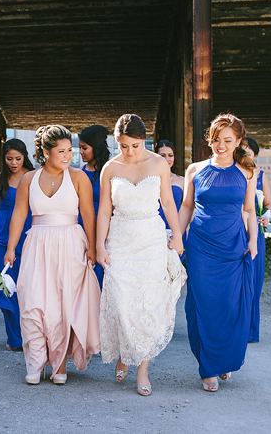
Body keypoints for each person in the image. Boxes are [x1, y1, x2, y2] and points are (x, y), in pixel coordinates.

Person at [97, 115, 187, 397]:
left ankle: (143, 369)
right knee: (123, 303)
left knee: (148, 305)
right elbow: (103, 210)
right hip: (121, 240)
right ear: (117, 142)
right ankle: (126, 352)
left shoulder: (158, 163)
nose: (130, 151)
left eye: (135, 145)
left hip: (151, 239)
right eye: (124, 146)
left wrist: (178, 235)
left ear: (144, 140)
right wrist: (100, 245)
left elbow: (168, 202)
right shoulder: (110, 168)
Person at [5, 125, 100, 385]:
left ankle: (59, 365)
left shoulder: (79, 177)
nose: (68, 155)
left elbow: (88, 214)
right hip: (37, 244)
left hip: (70, 243)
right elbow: (19, 214)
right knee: (32, 303)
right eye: (61, 151)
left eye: (70, 150)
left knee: (62, 307)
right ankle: (35, 363)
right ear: (46, 152)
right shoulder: (29, 179)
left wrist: (92, 246)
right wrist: (11, 248)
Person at [178, 113, 258, 392]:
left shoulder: (247, 171)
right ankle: (208, 367)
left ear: (238, 141)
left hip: (233, 247)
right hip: (201, 246)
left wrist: (254, 242)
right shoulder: (195, 170)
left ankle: (222, 360)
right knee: (204, 305)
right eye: (215, 140)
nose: (220, 145)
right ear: (209, 141)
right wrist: (177, 237)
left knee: (230, 305)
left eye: (227, 140)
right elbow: (187, 207)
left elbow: (249, 210)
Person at [0, 139, 34, 351]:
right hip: (0, 236)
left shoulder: (33, 176)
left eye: (18, 159)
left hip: (25, 235)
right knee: (3, 286)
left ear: (24, 157)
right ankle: (15, 339)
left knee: (25, 287)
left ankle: (29, 335)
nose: (14, 163)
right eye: (9, 158)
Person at [244, 137, 271, 343]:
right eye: (242, 149)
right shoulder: (233, 174)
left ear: (255, 154)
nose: (245, 153)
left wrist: (267, 216)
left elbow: (269, 204)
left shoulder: (261, 176)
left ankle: (251, 330)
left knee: (254, 281)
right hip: (235, 232)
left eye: (248, 150)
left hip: (257, 235)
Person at [77, 124, 110, 288]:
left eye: (84, 148)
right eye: (79, 148)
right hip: (79, 226)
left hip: (102, 226)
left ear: (95, 147)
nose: (80, 152)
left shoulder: (109, 171)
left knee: (99, 276)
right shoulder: (79, 172)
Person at [155, 140, 187, 260]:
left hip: (176, 228)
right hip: (154, 228)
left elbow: (189, 208)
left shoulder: (182, 181)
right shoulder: (150, 180)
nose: (167, 159)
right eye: (162, 156)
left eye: (170, 155)